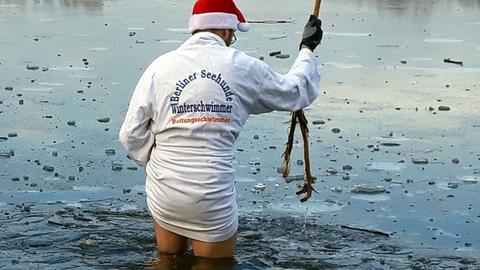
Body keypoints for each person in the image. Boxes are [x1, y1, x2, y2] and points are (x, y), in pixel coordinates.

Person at [119, 0, 323, 260]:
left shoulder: (159, 67)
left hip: (165, 191)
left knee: (166, 262)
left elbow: (130, 134)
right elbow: (295, 92)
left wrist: (161, 162)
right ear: (227, 31)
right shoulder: (243, 67)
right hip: (211, 195)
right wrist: (308, 48)